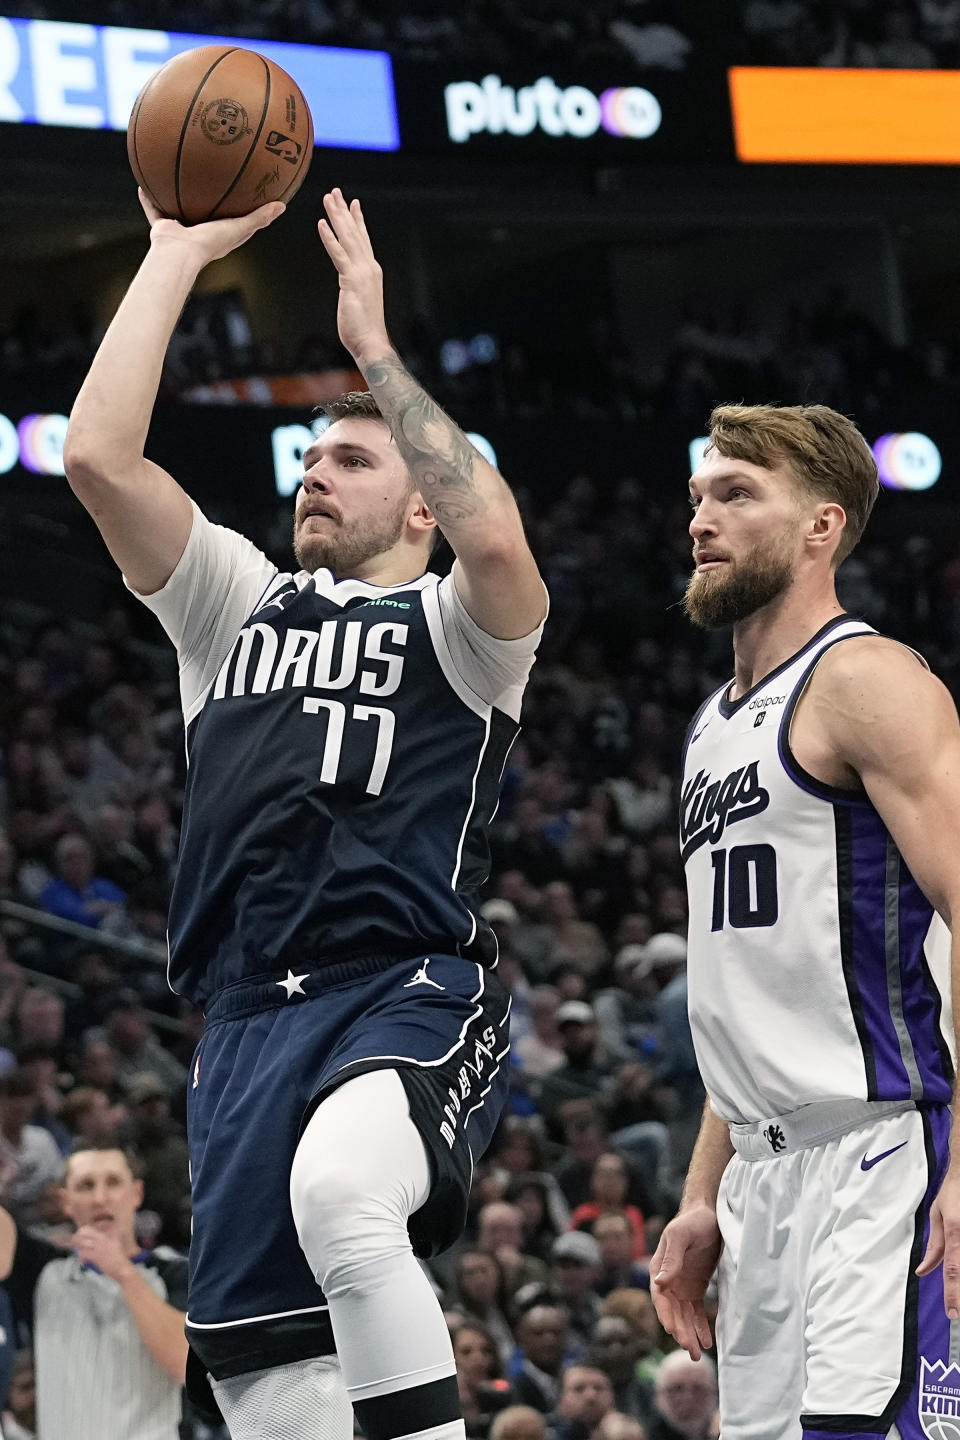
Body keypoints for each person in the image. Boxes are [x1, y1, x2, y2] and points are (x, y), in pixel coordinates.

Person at [62, 185, 547, 1440]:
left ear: (422, 502)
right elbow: (99, 461)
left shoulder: (460, 635)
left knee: (344, 1195)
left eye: (353, 457)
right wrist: (173, 255)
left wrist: (375, 356)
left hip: (402, 985)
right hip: (239, 1023)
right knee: (267, 1385)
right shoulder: (234, 604)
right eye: (309, 461)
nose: (316, 478)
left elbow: (499, 542)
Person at [650, 403, 960, 1440]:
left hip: (882, 1154)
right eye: (699, 495)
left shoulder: (867, 681)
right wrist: (703, 1194)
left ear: (824, 527)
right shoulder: (707, 730)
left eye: (737, 495)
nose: (703, 518)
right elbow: (740, 998)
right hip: (760, 1180)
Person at [0, 1142, 188, 1440]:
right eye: (85, 1186)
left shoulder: (175, 1272)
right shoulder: (43, 1270)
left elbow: (184, 1362)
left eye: (113, 1182)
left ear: (136, 1194)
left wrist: (123, 1272)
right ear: (65, 1201)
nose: (100, 1199)